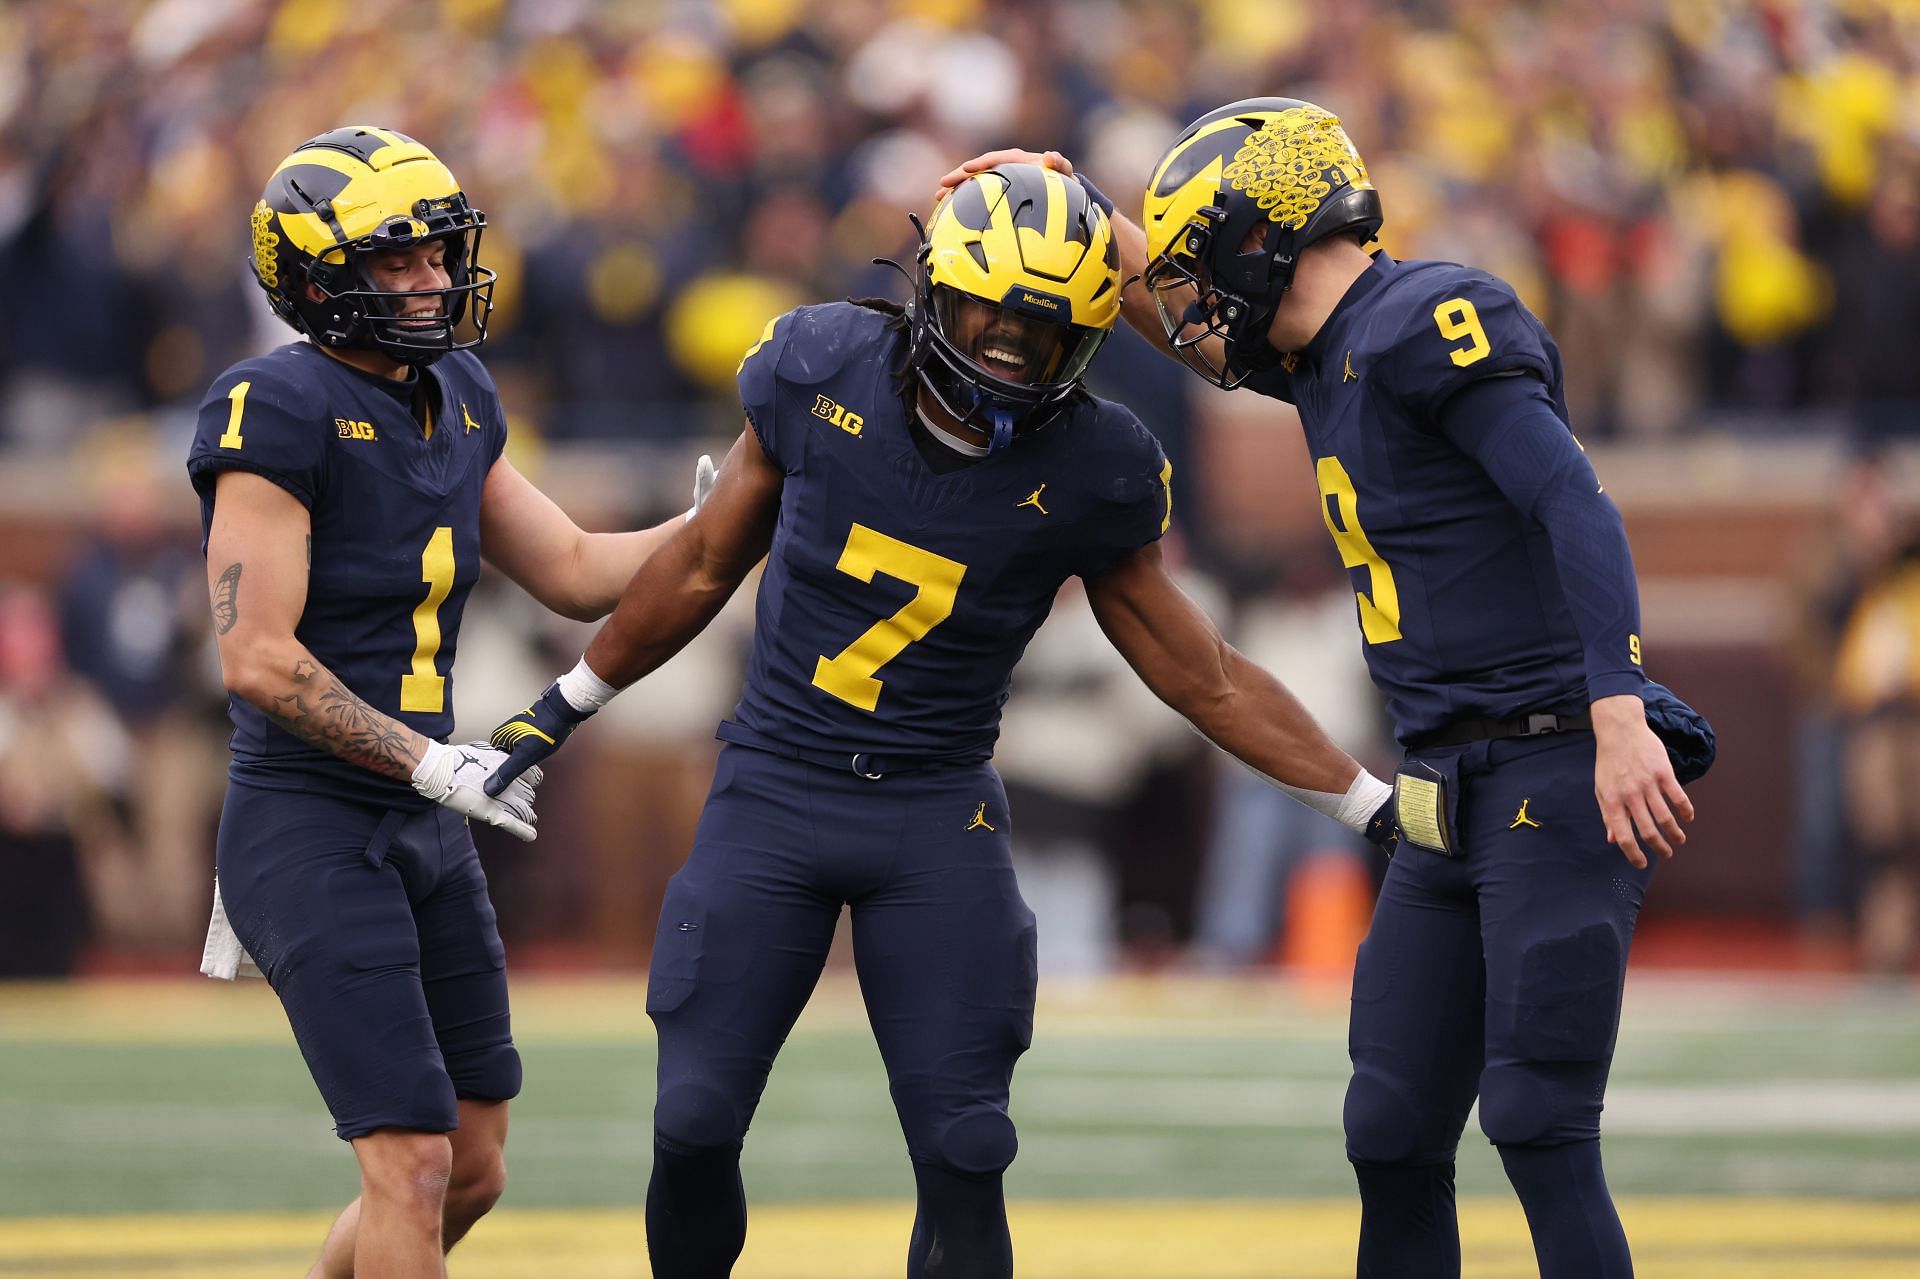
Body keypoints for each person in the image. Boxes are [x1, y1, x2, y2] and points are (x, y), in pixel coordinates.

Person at [478, 162, 1399, 1279]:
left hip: (935, 810)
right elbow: (705, 560)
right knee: (697, 1121)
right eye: (989, 312)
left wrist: (1366, 803)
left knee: (967, 1145)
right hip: (774, 785)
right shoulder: (820, 366)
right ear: (934, 288)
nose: (1010, 344)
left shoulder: (1099, 466)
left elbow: (1198, 672)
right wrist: (560, 707)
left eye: (1044, 328)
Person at [940, 99, 1714, 1279]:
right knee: (1391, 1129)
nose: (1194, 297)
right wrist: (1087, 218)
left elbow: (1573, 499)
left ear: (1264, 236)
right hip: (1442, 782)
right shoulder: (1330, 359)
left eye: (1207, 262)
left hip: (1551, 759)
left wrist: (1619, 705)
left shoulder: (1423, 320)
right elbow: (1183, 326)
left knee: (1538, 1121)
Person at [188, 126, 706, 1279]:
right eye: (398, 262)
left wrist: (724, 525)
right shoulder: (270, 405)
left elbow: (571, 565)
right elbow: (257, 659)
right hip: (311, 820)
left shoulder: (456, 390)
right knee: (411, 1162)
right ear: (317, 276)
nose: (431, 282)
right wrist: (426, 762)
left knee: (472, 1164)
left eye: (439, 255)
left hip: (428, 812)